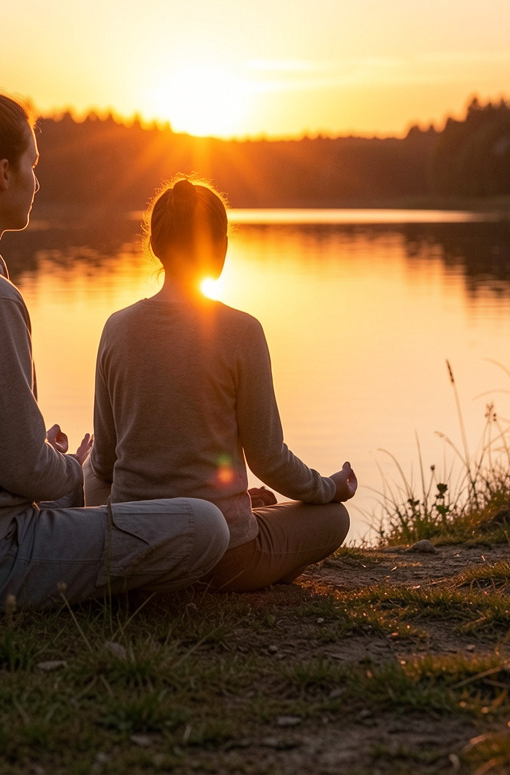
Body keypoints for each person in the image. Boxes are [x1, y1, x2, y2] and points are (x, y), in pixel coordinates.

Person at [0, 79, 229, 613]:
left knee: (66, 487)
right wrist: (68, 468)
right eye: (32, 165)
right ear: (3, 173)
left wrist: (47, 462)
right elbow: (23, 474)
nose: (37, 181)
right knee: (206, 526)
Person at [85, 176, 356, 592]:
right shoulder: (242, 331)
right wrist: (327, 487)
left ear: (154, 246)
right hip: (224, 557)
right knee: (334, 517)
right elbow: (267, 458)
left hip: (137, 548)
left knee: (87, 471)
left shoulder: (115, 329)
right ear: (221, 250)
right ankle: (252, 570)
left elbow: (103, 463)